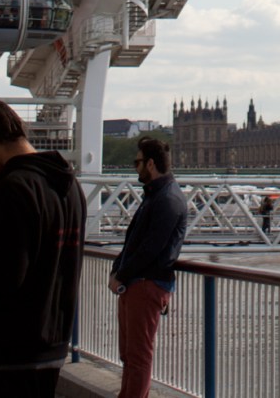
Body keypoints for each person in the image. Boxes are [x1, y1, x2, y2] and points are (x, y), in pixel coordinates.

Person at [0, 98, 85, 398]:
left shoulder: (14, 189)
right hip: (52, 340)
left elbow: (1, 277)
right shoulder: (70, 187)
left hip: (6, 348)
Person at [109, 136, 188, 398]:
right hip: (136, 283)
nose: (135, 167)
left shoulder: (168, 199)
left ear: (150, 164)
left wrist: (121, 274)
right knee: (129, 355)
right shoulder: (156, 195)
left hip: (147, 284)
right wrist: (118, 271)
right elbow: (134, 240)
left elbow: (151, 248)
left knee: (138, 356)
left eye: (137, 162)